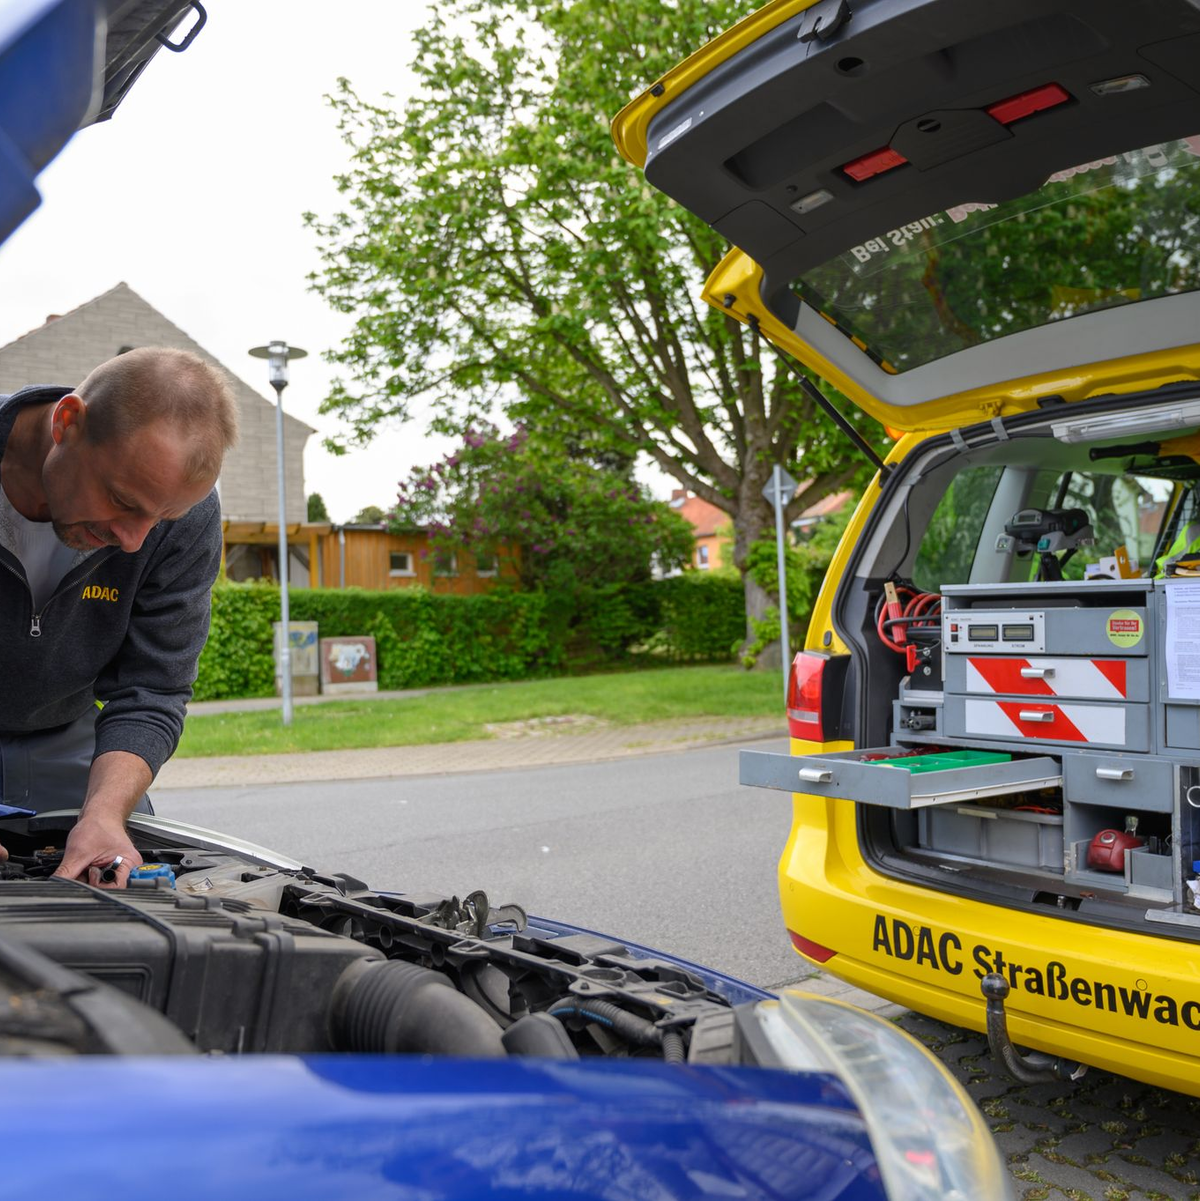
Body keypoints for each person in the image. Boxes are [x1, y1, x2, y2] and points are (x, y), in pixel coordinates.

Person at [0, 346, 238, 888]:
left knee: (111, 884)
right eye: (123, 501)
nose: (134, 541)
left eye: (161, 518)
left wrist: (104, 815)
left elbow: (152, 688)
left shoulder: (187, 521)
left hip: (68, 734)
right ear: (67, 422)